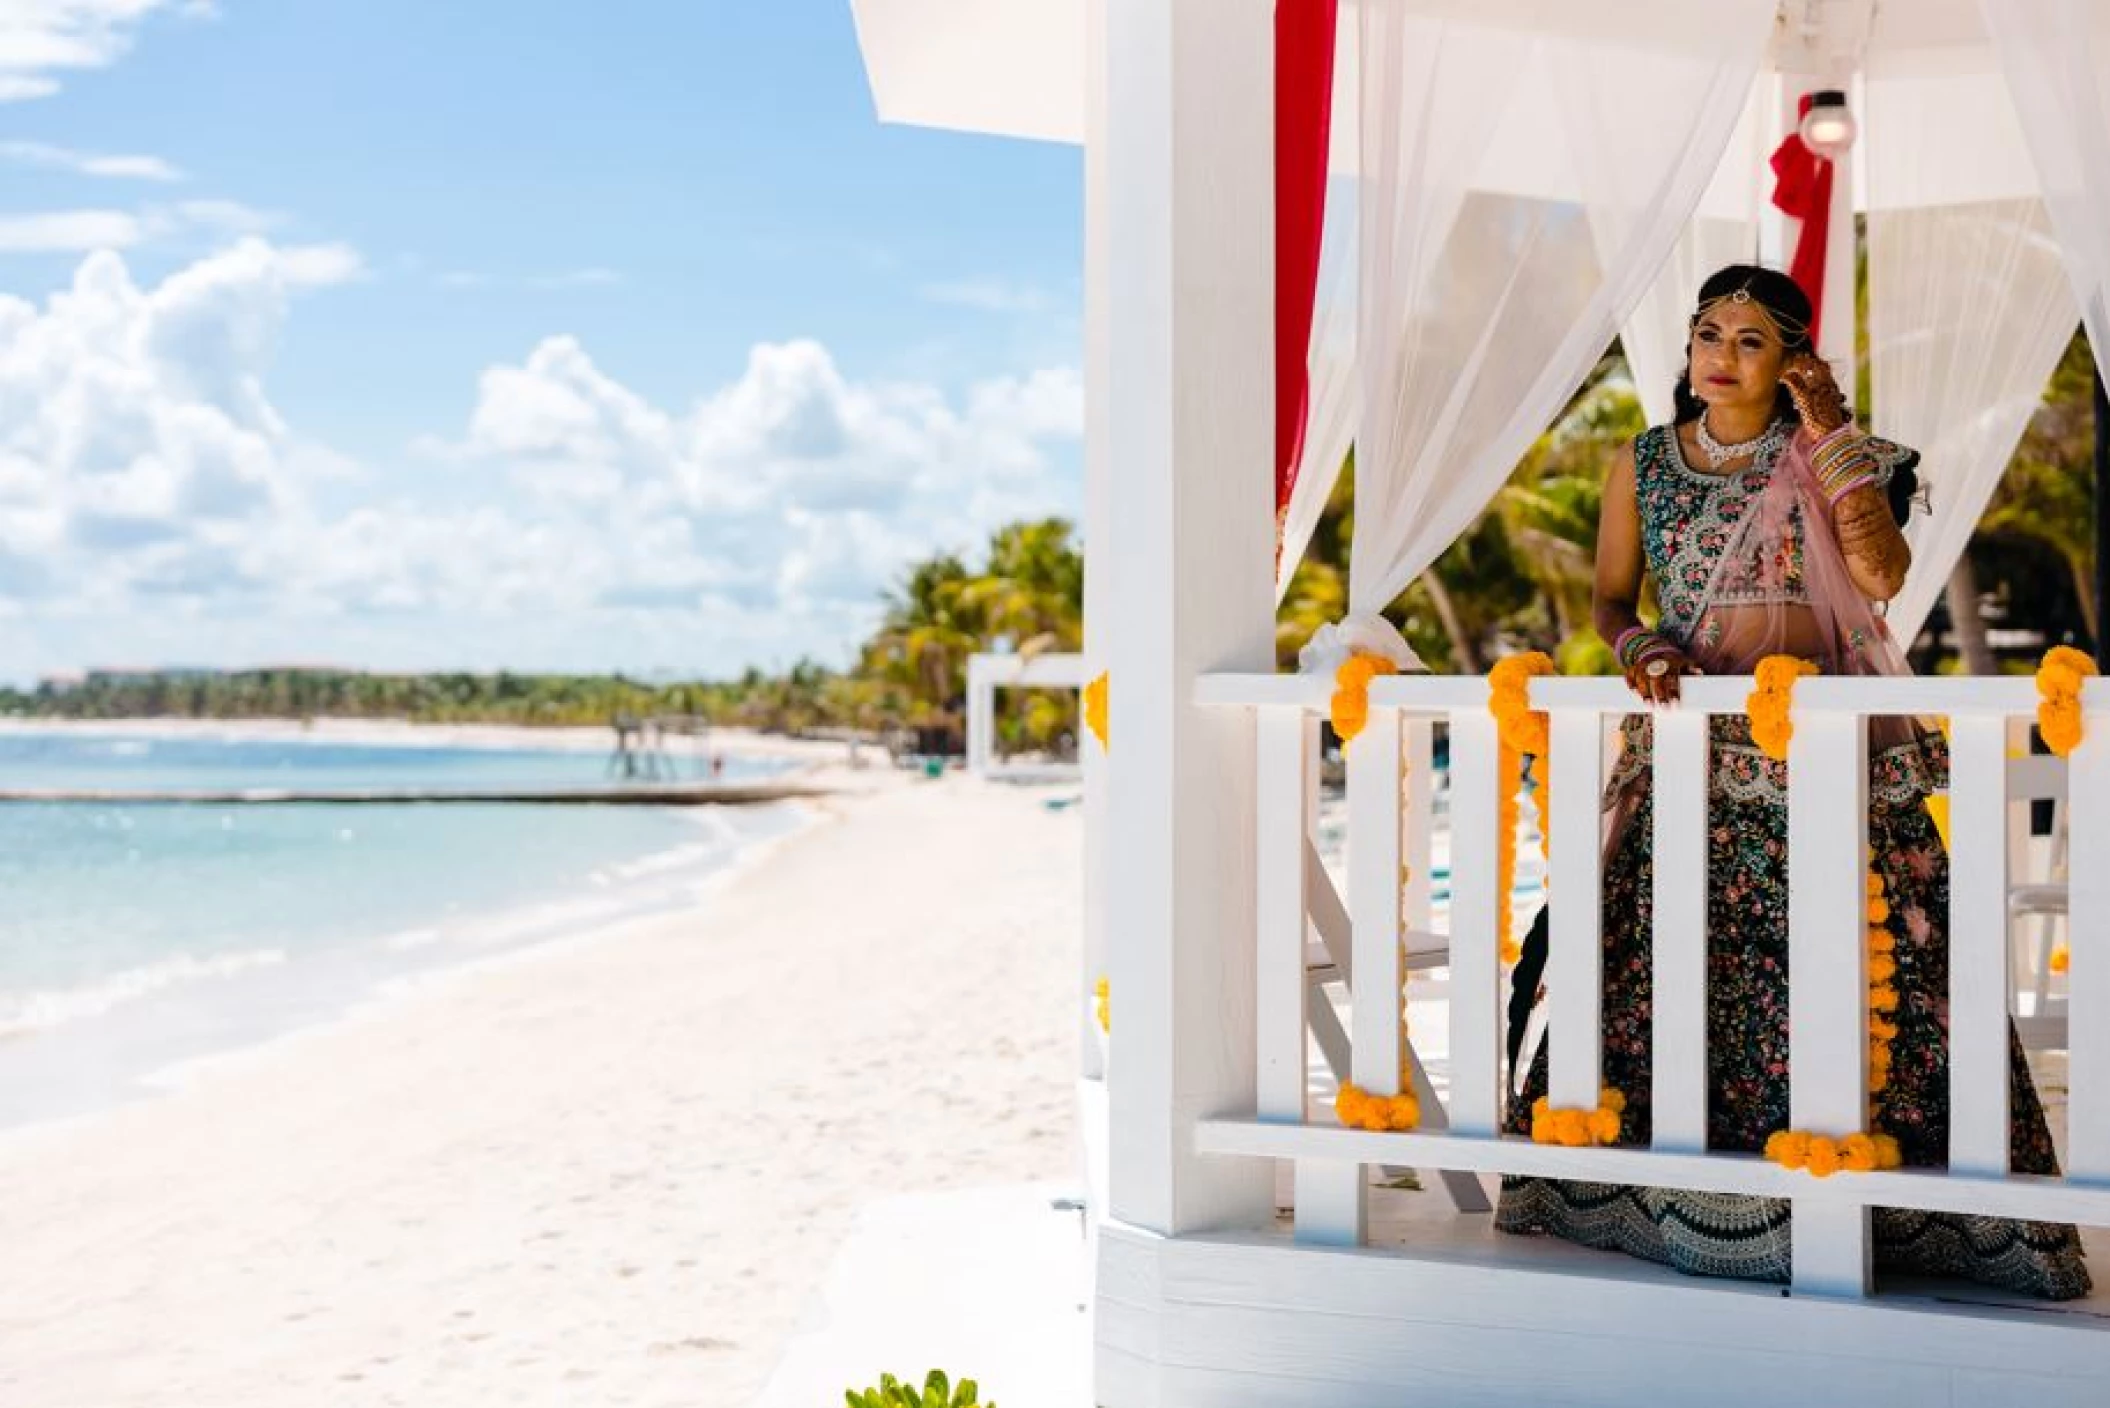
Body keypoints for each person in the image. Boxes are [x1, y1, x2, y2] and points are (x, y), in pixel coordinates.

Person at [1493, 265, 2090, 1299]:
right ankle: (1670, 1209)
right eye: (1705, 334)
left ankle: (1912, 1220)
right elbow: (1604, 600)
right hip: (1689, 753)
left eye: (1749, 340)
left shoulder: (1828, 453)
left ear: (1792, 358)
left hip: (1822, 756)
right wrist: (1639, 647)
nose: (1719, 358)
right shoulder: (1639, 464)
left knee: (1873, 966)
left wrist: (1827, 432)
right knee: (1666, 970)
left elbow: (1882, 579)